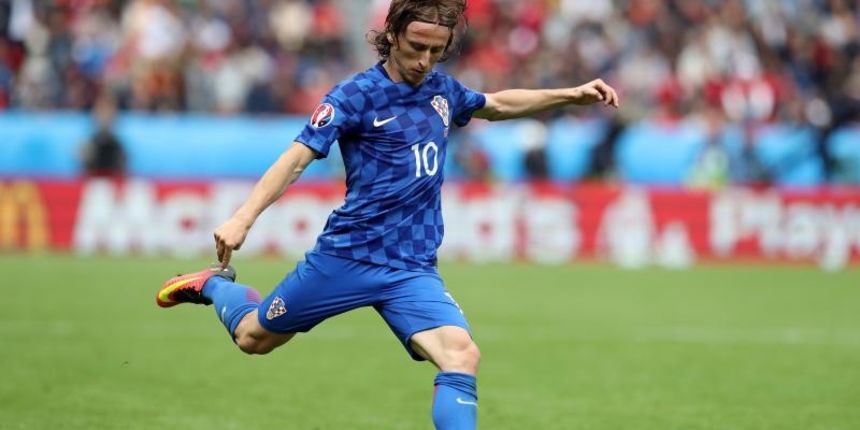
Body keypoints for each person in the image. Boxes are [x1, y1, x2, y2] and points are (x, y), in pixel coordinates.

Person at [155, 1, 619, 429]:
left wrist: (571, 95)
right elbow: (296, 157)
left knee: (461, 354)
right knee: (254, 338)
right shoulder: (354, 96)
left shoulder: (442, 89)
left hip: (411, 268)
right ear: (393, 34)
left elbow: (495, 104)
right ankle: (215, 285)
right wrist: (243, 218)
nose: (425, 60)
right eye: (417, 47)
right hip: (347, 257)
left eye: (437, 51)